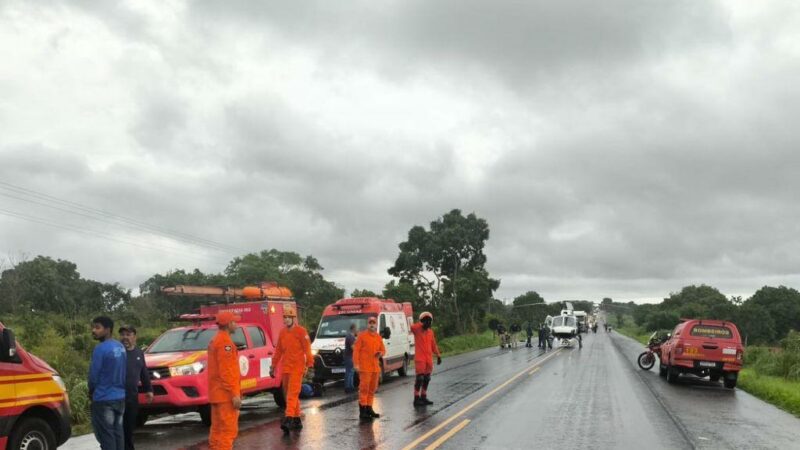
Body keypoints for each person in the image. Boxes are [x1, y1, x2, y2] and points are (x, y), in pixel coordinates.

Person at [269, 304, 314, 432]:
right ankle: (296, 419)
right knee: (289, 394)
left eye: (289, 317)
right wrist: (273, 366)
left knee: (292, 394)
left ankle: (288, 418)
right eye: (285, 317)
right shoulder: (283, 333)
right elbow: (278, 351)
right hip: (286, 368)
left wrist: (309, 365)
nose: (286, 319)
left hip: (297, 368)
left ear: (294, 318)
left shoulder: (301, 331)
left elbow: (307, 349)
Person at [89, 316, 127, 450]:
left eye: (97, 327)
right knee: (118, 432)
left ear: (108, 330)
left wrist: (91, 392)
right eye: (93, 327)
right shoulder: (121, 347)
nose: (94, 330)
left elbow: (93, 376)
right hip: (120, 398)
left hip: (104, 398)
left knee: (106, 436)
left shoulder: (100, 349)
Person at [207, 311, 242, 450]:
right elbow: (226, 372)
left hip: (216, 395)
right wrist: (234, 394)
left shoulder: (215, 340)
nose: (237, 324)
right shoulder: (225, 343)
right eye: (235, 321)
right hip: (225, 395)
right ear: (229, 324)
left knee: (217, 431)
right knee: (228, 432)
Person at [119, 325, 153, 450]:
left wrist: (148, 390)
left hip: (132, 397)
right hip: (118, 396)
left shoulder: (139, 353)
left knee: (129, 427)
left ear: (134, 337)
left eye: (128, 335)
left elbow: (143, 372)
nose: (125, 338)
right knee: (119, 428)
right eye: (122, 335)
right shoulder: (117, 352)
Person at [353, 316, 385, 420]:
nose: (372, 324)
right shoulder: (362, 336)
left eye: (374, 323)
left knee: (372, 389)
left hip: (375, 368)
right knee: (364, 389)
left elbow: (383, 350)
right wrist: (356, 364)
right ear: (368, 324)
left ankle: (369, 408)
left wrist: (380, 353)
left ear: (376, 325)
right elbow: (356, 351)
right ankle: (362, 411)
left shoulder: (378, 337)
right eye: (370, 323)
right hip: (365, 367)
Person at [411, 312, 441, 407]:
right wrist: (421, 323)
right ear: (422, 321)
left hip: (429, 359)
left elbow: (433, 345)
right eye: (426, 320)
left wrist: (438, 355)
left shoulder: (430, 332)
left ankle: (423, 396)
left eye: (429, 321)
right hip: (420, 359)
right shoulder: (417, 330)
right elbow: (412, 327)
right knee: (420, 378)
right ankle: (416, 398)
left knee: (427, 378)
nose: (427, 322)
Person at [344, 323, 357, 393]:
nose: (356, 330)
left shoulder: (350, 336)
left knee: (351, 371)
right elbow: (353, 348)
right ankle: (348, 387)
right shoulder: (350, 337)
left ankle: (351, 386)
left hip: (349, 356)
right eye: (356, 328)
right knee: (349, 372)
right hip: (349, 356)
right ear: (353, 329)